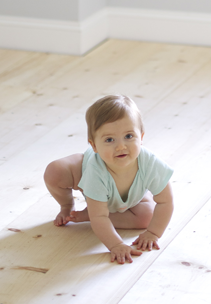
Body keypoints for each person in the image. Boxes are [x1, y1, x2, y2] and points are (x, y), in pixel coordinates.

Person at [43, 93, 174, 265]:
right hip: (87, 177)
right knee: (55, 172)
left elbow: (166, 202)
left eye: (129, 136)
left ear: (141, 137)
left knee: (147, 218)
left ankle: (86, 215)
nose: (121, 146)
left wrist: (153, 233)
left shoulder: (150, 163)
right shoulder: (95, 171)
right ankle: (68, 207)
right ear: (94, 145)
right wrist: (116, 244)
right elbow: (100, 217)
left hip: (133, 194)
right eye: (109, 139)